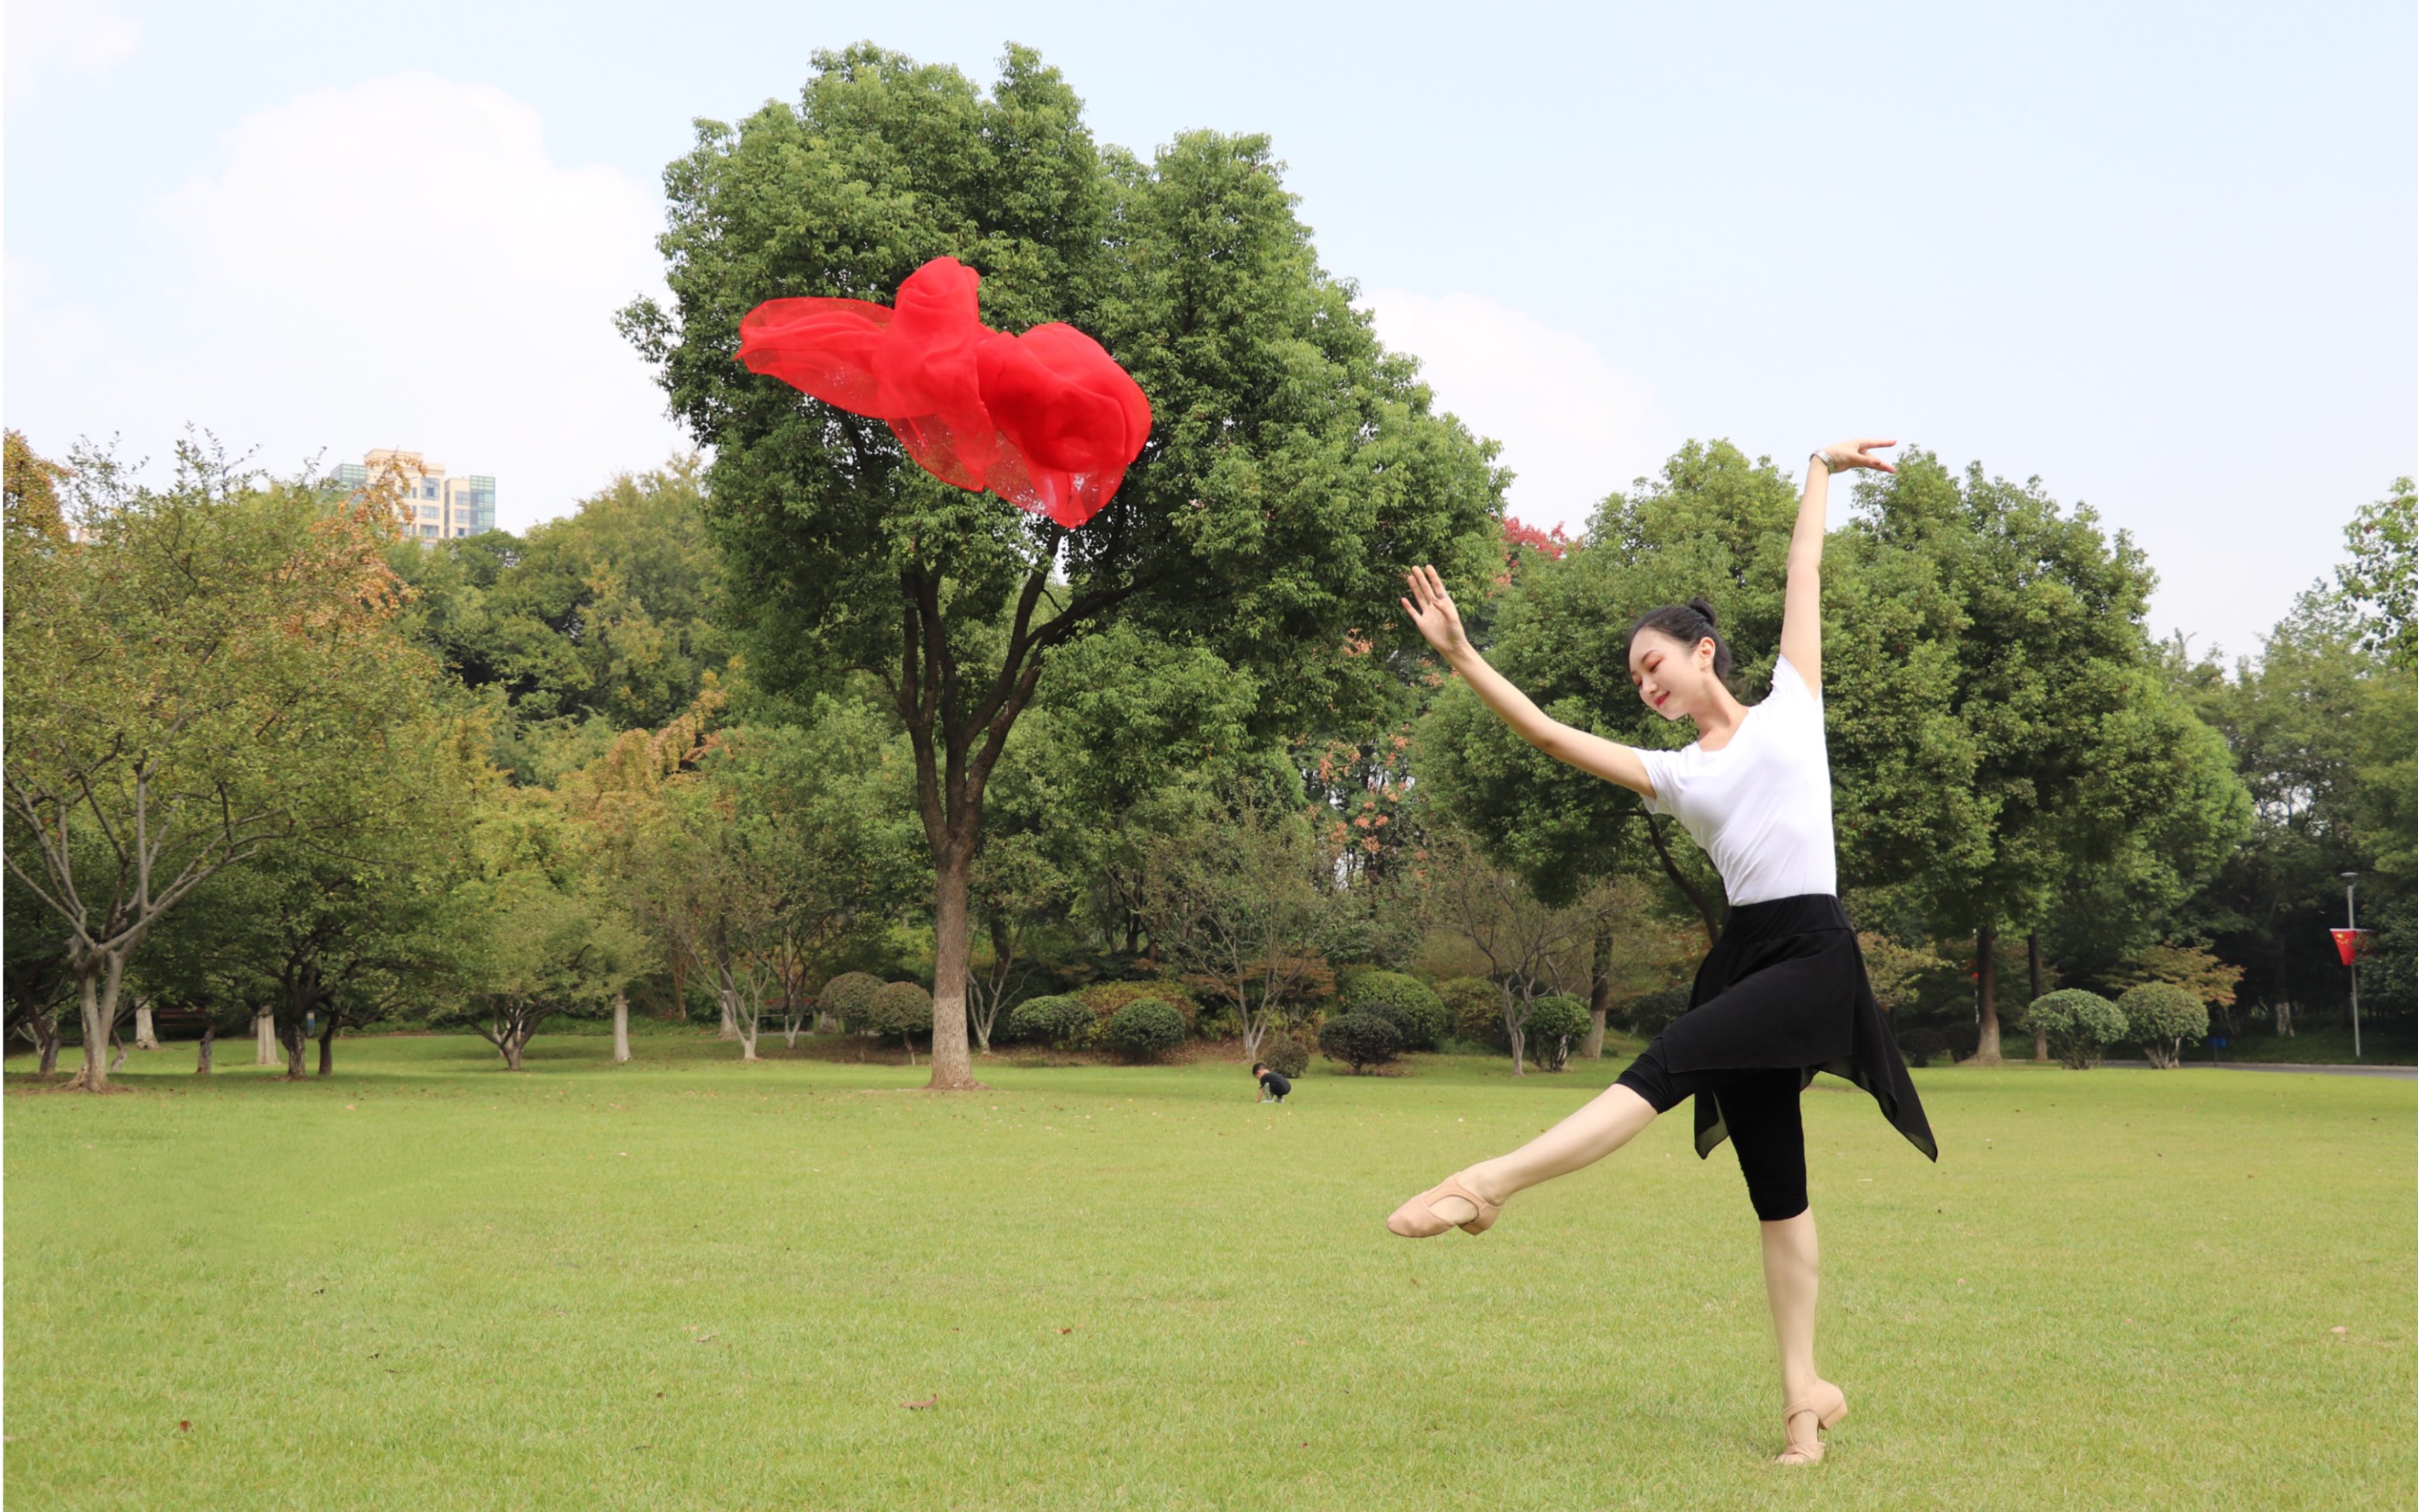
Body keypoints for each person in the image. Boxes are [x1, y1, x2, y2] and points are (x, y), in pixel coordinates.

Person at [1386, 438, 1937, 1467]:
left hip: (1810, 954)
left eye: (1652, 663)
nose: (1642, 684)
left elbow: (1802, 568)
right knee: (1778, 1189)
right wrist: (1464, 658)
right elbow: (1551, 736)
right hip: (1746, 953)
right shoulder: (1674, 775)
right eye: (1633, 676)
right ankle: (1801, 1403)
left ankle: (1488, 1185)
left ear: (1700, 654)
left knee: (1661, 1071)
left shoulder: (1792, 710)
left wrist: (1817, 467)